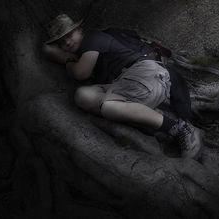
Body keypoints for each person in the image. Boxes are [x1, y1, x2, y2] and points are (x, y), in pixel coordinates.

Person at [42, 14, 203, 159]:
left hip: (146, 73)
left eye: (69, 35)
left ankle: (181, 129)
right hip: (125, 84)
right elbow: (50, 51)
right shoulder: (82, 52)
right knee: (82, 95)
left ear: (80, 30)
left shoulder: (92, 39)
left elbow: (81, 73)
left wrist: (67, 59)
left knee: (108, 107)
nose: (68, 42)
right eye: (61, 42)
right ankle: (149, 116)